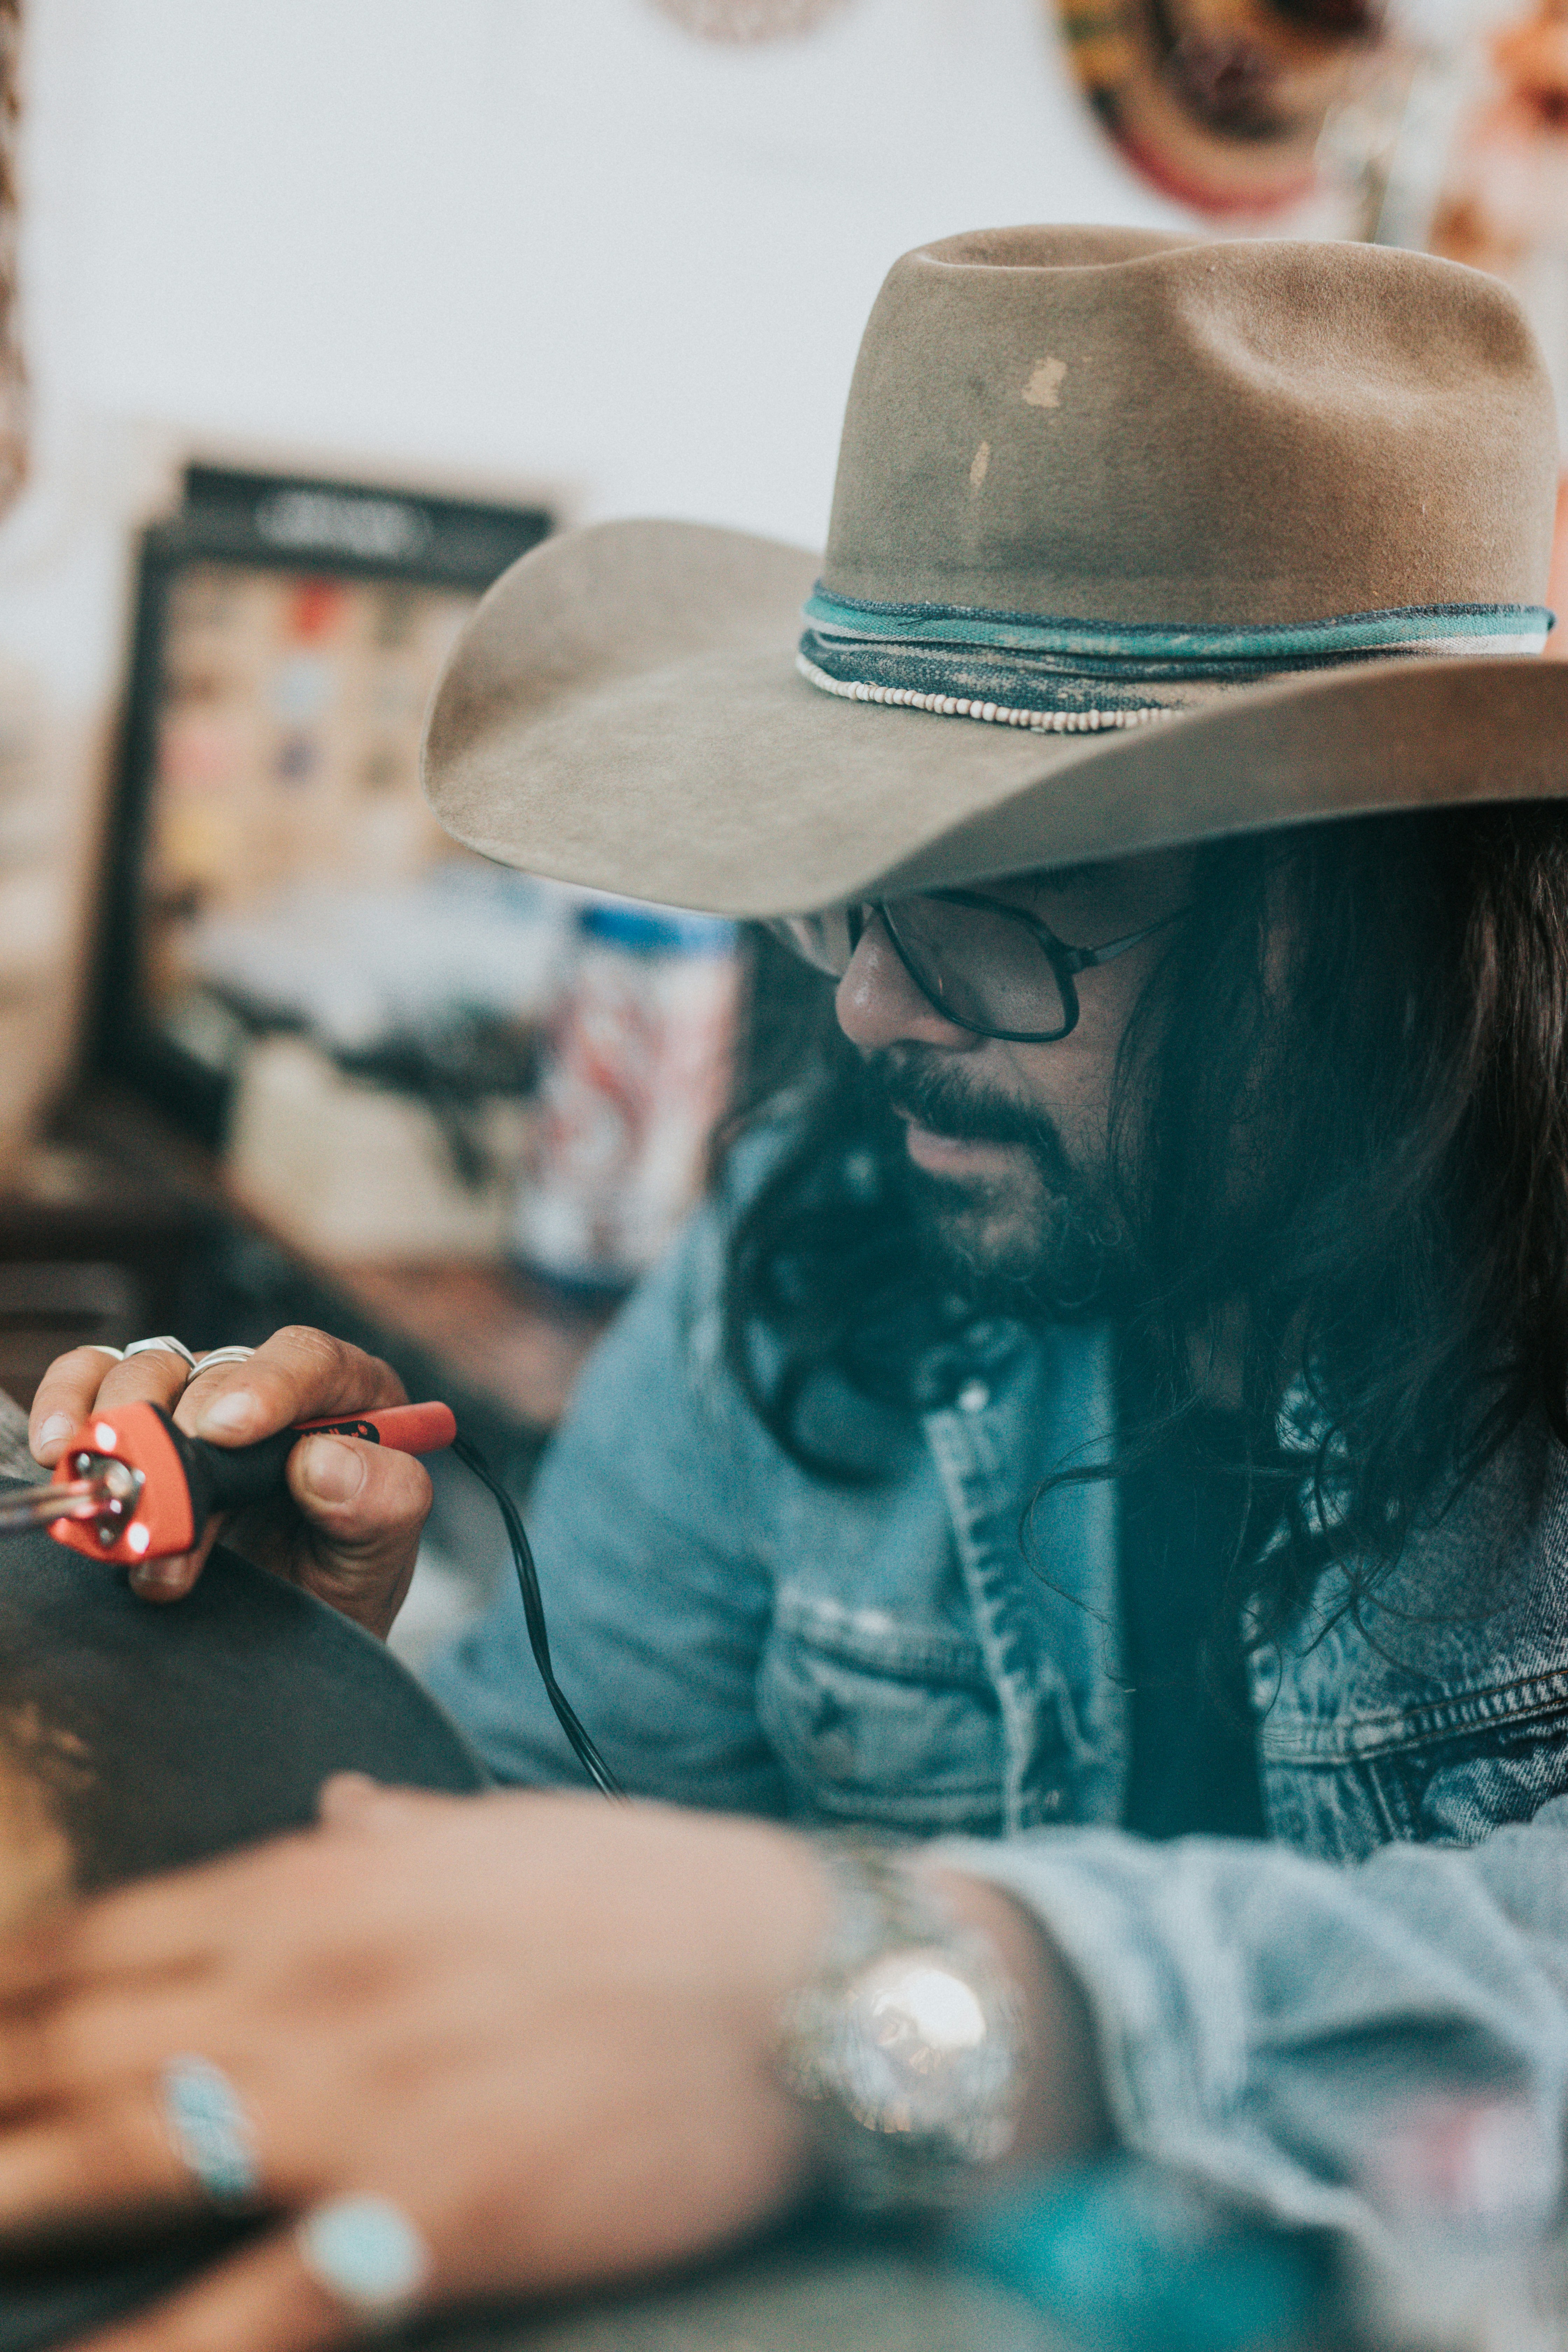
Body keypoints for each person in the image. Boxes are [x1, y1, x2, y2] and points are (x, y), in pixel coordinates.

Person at [9, 225, 1568, 2349]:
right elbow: (559, 1871)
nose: (872, 1010)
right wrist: (295, 1694)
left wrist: (944, 1993)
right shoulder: (814, 1244)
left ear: (1375, 920)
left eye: (1005, 904)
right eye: (853, 892)